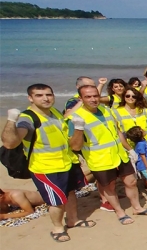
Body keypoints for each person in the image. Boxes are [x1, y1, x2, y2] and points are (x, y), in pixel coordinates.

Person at [1, 84, 93, 242]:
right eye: (39, 95)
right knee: (56, 201)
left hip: (67, 163)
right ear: (30, 98)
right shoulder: (28, 119)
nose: (45, 98)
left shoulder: (55, 112)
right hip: (46, 168)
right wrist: (11, 120)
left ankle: (73, 220)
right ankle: (57, 228)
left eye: (48, 94)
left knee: (70, 193)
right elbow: (10, 143)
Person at [69, 85, 147, 224]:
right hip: (100, 159)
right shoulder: (76, 117)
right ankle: (120, 212)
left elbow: (117, 132)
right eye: (88, 96)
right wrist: (78, 128)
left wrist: (129, 149)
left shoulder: (105, 110)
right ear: (81, 99)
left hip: (120, 154)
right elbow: (75, 146)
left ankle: (137, 208)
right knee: (109, 187)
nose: (93, 99)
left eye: (95, 95)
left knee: (132, 181)